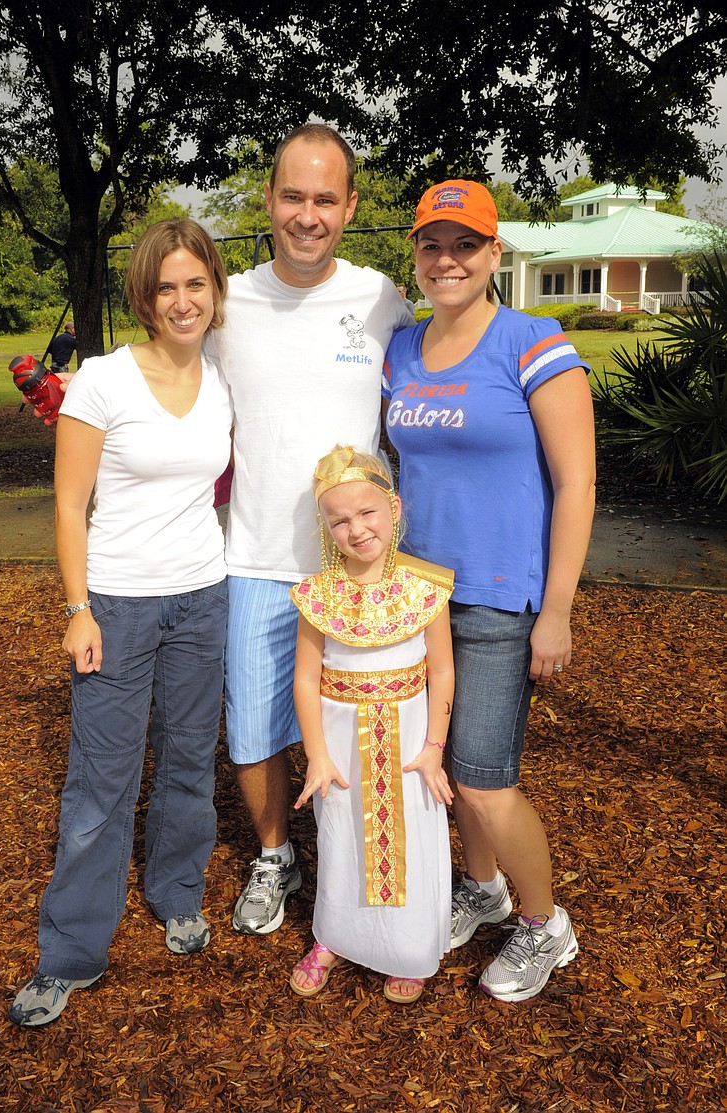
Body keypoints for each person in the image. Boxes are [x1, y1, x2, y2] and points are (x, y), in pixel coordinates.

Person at [8, 218, 233, 1028]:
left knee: (184, 760)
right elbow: (71, 504)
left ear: (214, 290)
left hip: (203, 595)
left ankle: (177, 893)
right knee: (101, 783)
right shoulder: (104, 379)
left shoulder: (221, 377)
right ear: (144, 294)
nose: (182, 300)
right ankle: (70, 950)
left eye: (195, 284)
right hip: (118, 603)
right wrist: (78, 609)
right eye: (166, 286)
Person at [383, 179, 596, 1002]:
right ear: (417, 254)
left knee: (483, 775)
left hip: (501, 599)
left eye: (466, 245)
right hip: (419, 597)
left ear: (493, 253)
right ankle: (482, 888)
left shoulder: (530, 342)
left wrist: (559, 610)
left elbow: (576, 484)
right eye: (433, 245)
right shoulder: (402, 351)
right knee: (443, 771)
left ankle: (546, 925)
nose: (448, 260)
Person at [208, 124, 415, 936]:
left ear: (349, 206)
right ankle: (274, 854)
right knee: (255, 726)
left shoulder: (381, 297)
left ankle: (358, 859)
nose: (307, 213)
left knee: (361, 724)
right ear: (269, 199)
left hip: (357, 562)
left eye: (325, 198)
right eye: (292, 195)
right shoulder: (229, 303)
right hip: (257, 556)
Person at [289, 445, 455, 1004]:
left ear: (394, 508)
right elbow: (306, 680)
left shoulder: (425, 588)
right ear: (326, 527)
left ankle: (406, 949)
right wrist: (316, 753)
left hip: (410, 744)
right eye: (340, 520)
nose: (357, 529)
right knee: (341, 836)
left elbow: (442, 670)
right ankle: (333, 937)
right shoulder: (319, 598)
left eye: (368, 513)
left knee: (408, 834)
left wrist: (434, 747)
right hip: (338, 745)